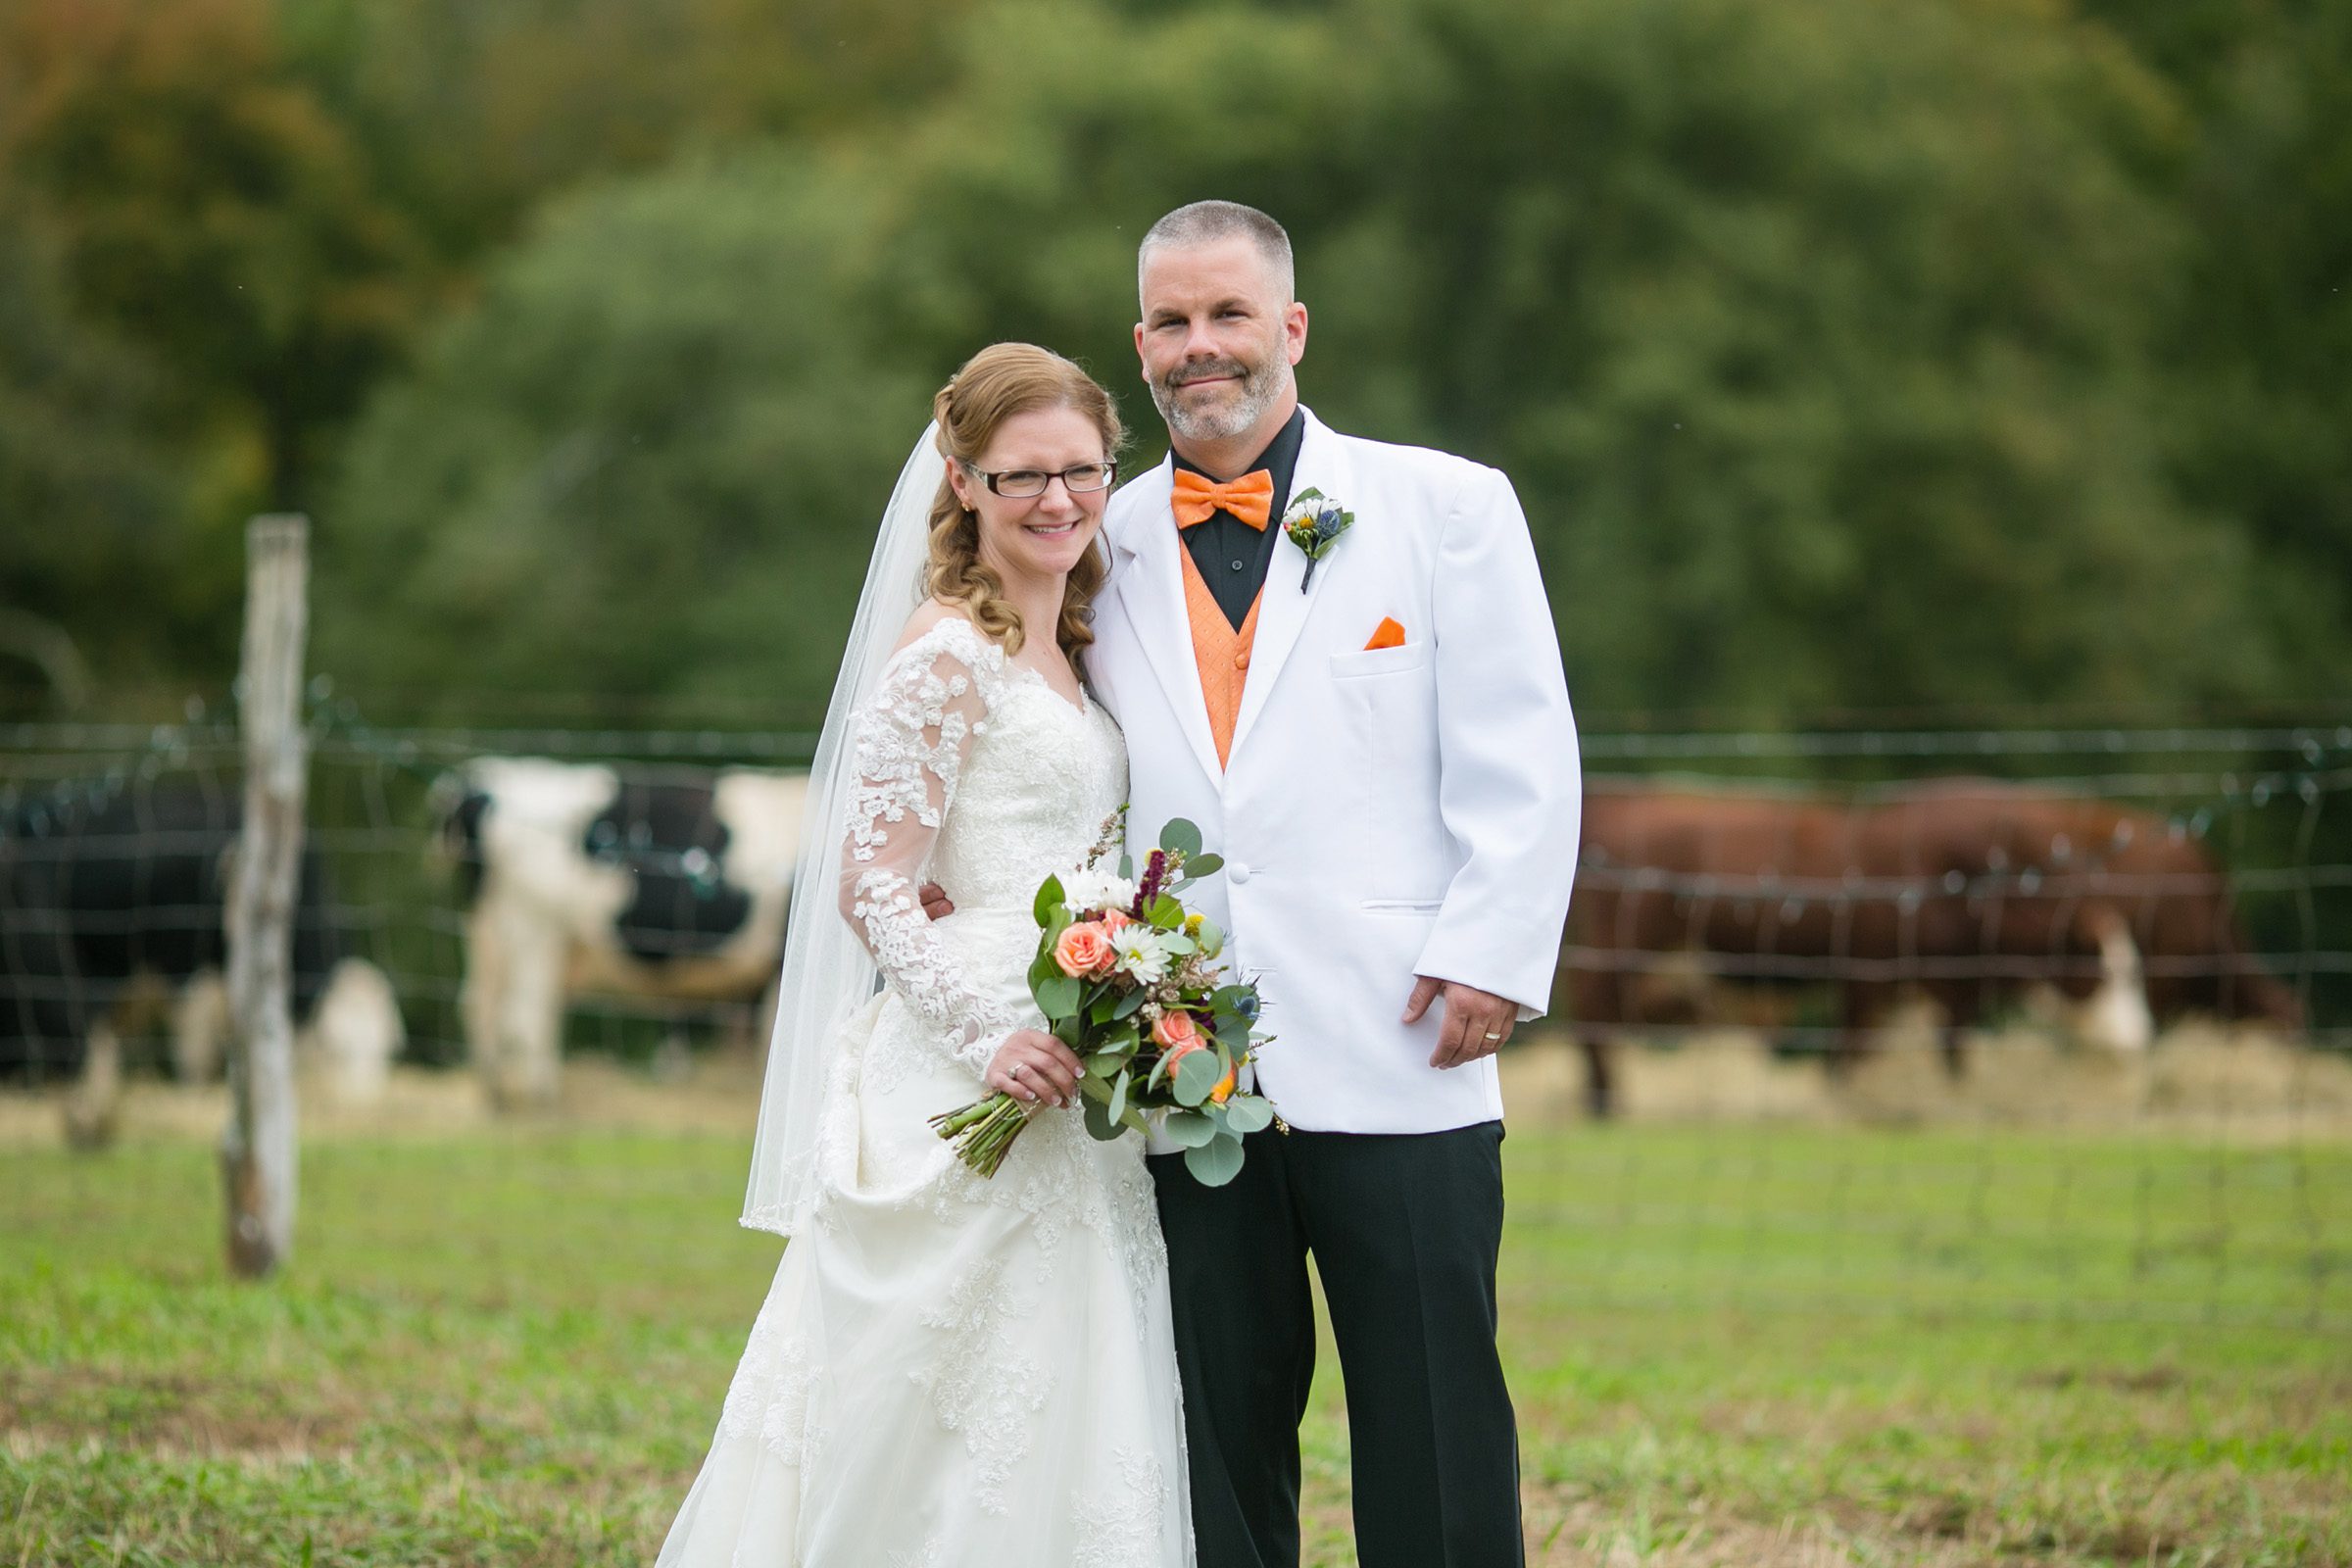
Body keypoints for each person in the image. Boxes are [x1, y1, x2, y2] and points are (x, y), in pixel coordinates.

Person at [1084, 201, 1583, 1567]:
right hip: (1183, 1063)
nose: (1201, 344)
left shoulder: (1447, 507)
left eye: (1228, 314)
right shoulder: (1096, 540)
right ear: (1141, 344)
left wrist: (1493, 952)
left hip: (1403, 1033)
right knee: (1214, 1433)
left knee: (1432, 1415)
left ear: (1292, 327)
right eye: (1173, 321)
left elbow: (1523, 751)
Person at [656, 344, 1192, 1566]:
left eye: (1081, 471)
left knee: (1065, 1385)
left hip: (1077, 1064)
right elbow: (870, 883)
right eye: (1021, 477)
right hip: (971, 1065)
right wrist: (990, 1037)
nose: (1057, 500)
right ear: (962, 483)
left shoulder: (1077, 641)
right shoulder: (949, 649)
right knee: (932, 1408)